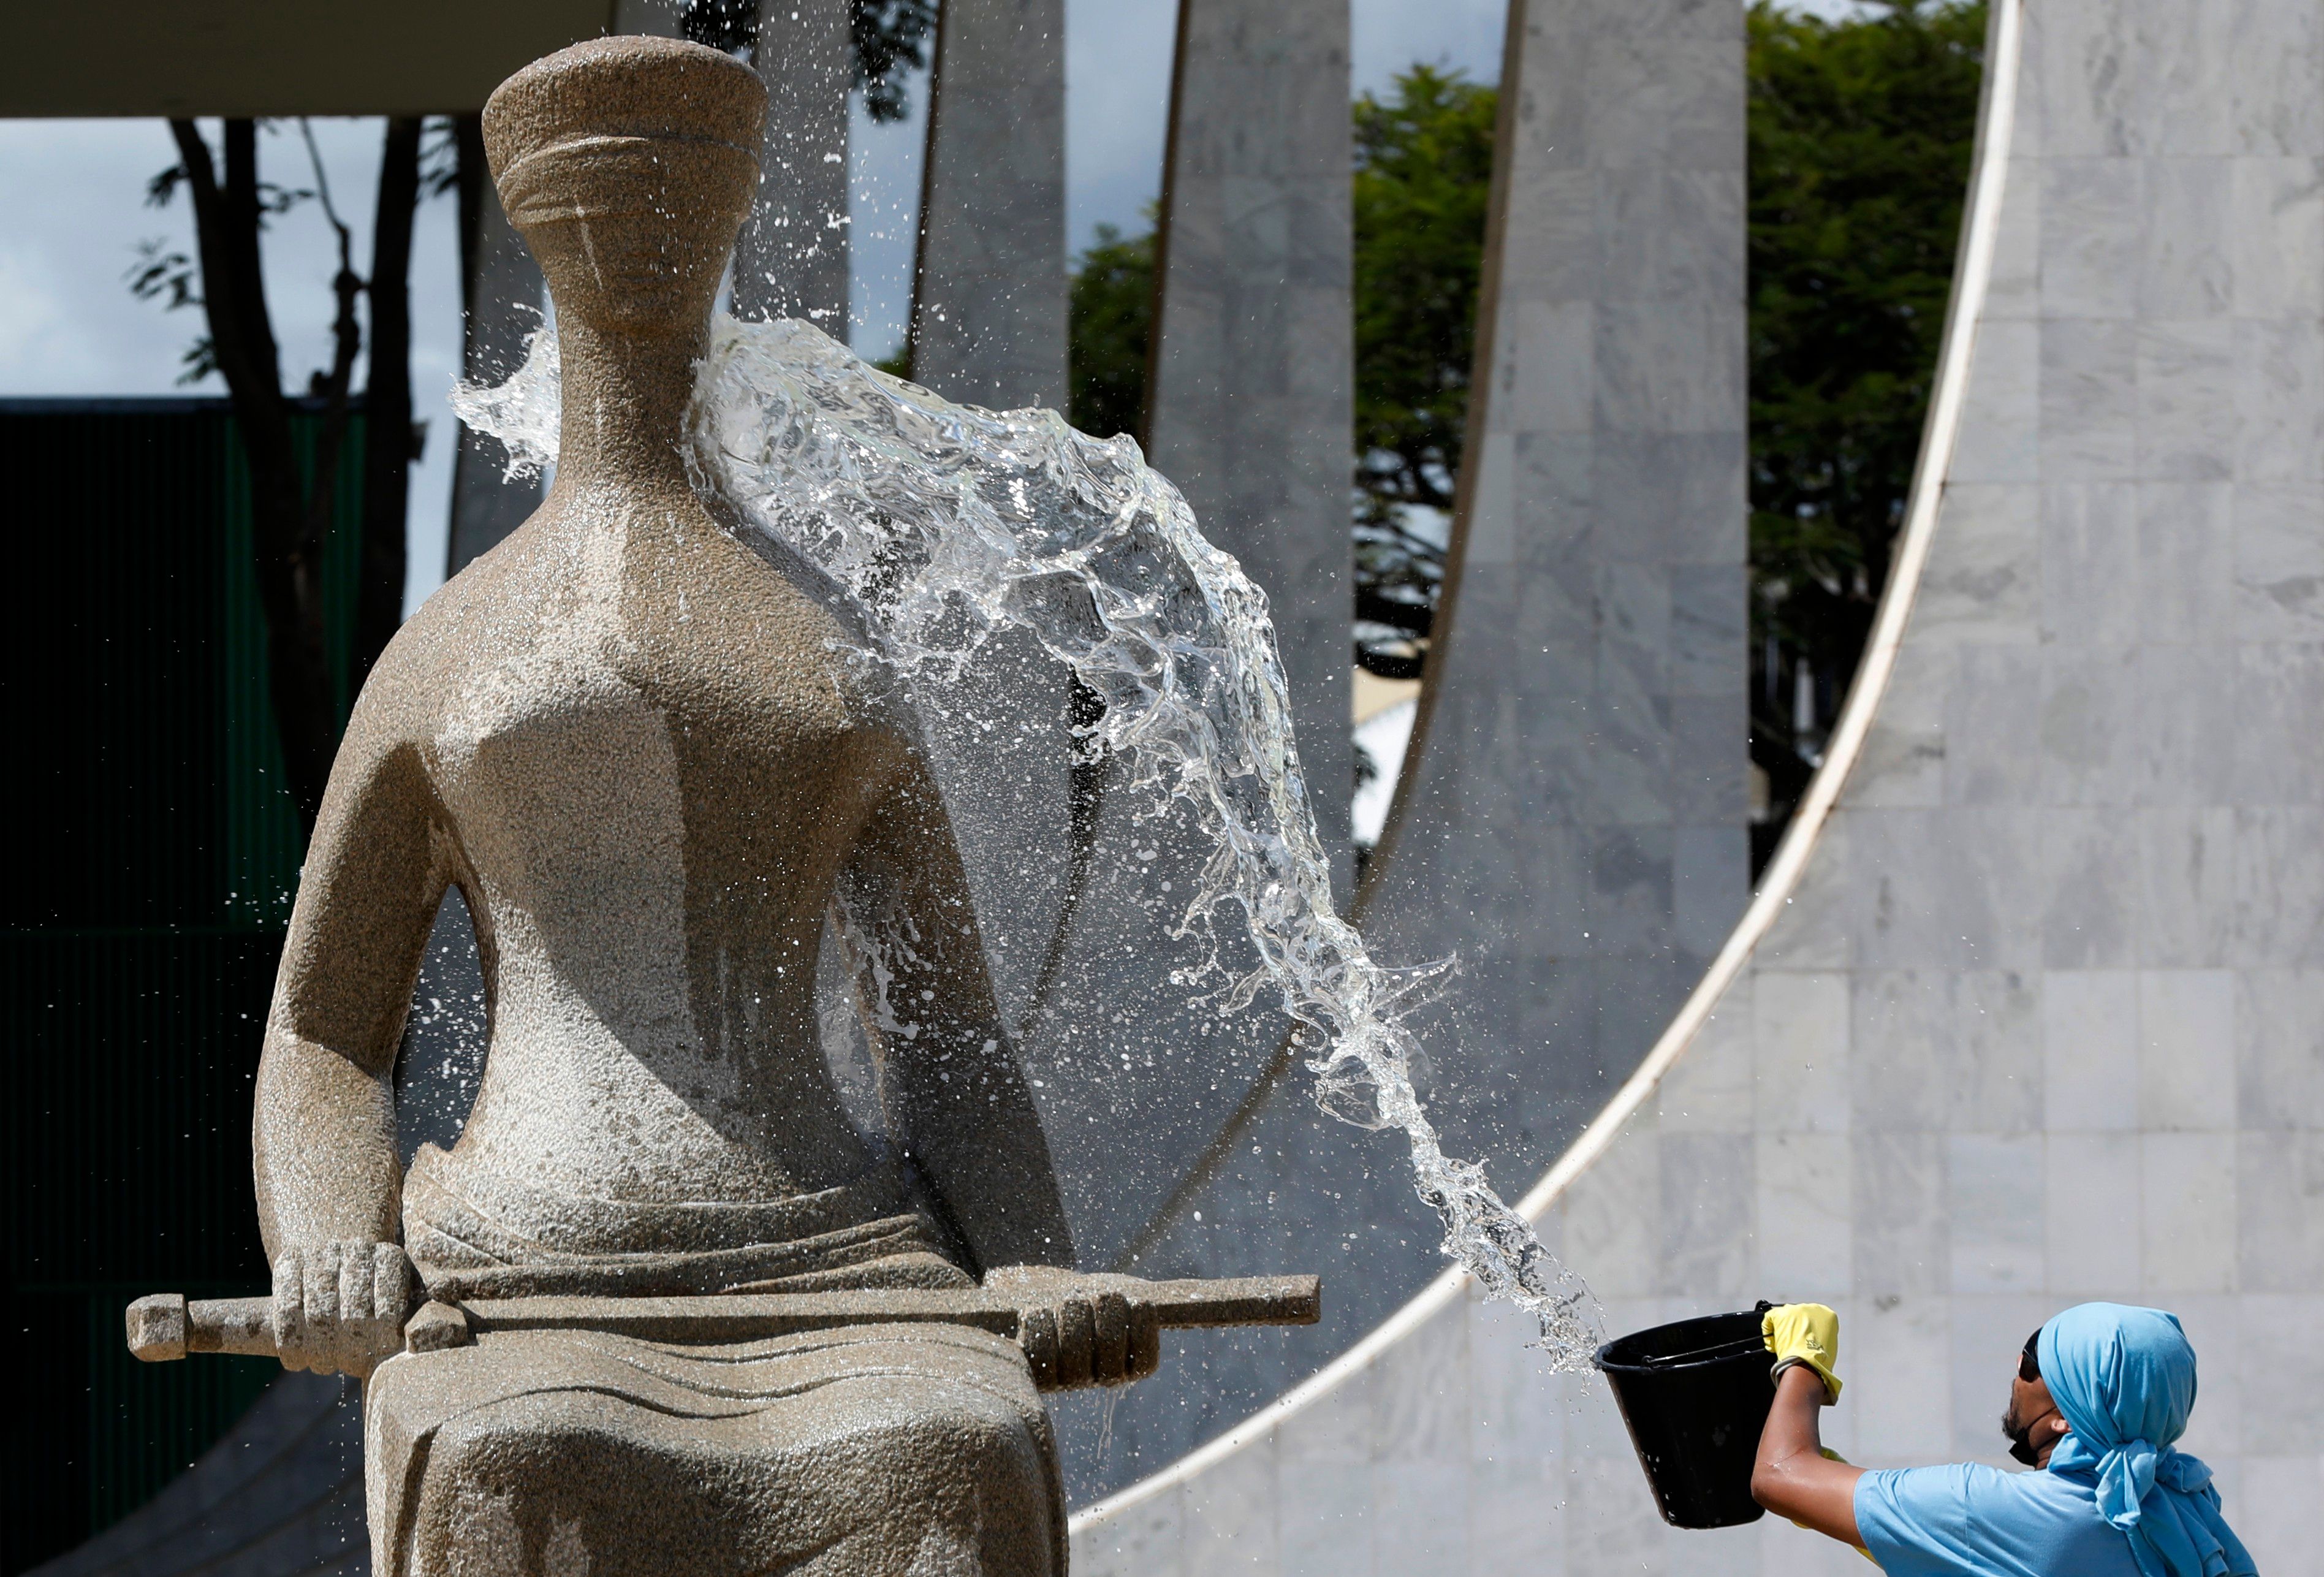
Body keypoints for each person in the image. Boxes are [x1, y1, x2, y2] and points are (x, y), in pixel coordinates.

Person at [1752, 1301, 2257, 1576]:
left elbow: (1778, 1474)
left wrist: (1804, 1360)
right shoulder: (2186, 1514)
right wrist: (1903, 1536)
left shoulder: (1991, 1510)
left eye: (2034, 1358)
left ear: (2064, 1417)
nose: (2018, 1367)